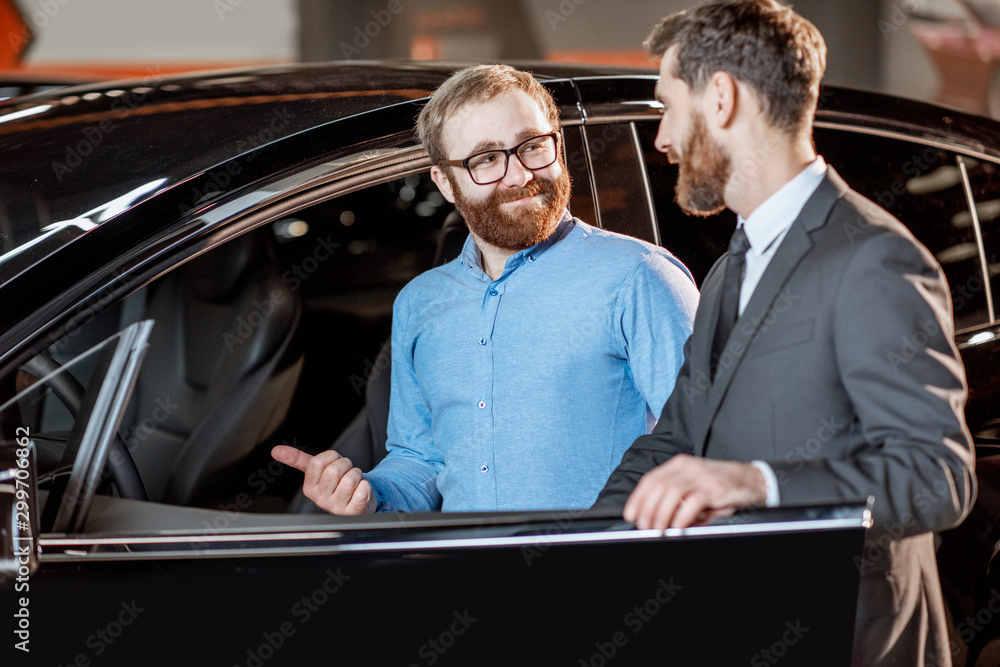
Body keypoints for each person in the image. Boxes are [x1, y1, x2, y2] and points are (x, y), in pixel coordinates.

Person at [591, 2, 976, 665]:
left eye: (665, 106)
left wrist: (756, 483)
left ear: (720, 97)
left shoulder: (874, 258)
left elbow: (937, 476)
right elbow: (678, 439)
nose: (661, 138)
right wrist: (577, 551)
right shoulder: (724, 270)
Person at [272, 64, 699, 515]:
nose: (517, 175)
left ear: (558, 146)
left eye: (533, 147)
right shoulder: (420, 303)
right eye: (486, 159)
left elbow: (708, 446)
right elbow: (420, 463)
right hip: (462, 575)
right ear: (445, 183)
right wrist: (367, 495)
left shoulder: (641, 277)